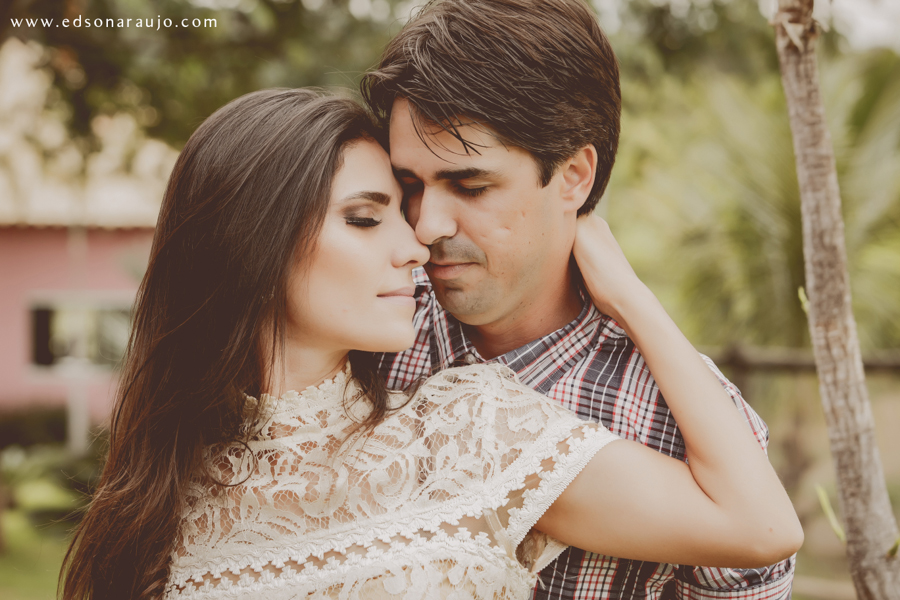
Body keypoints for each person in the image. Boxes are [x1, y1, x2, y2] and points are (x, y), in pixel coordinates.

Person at [59, 89, 800, 600]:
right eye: (365, 217)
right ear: (254, 243)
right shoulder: (165, 496)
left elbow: (761, 528)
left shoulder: (467, 428)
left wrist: (631, 301)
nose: (417, 241)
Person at [360, 0, 799, 599]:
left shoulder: (686, 423)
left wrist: (633, 301)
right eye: (409, 184)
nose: (427, 224)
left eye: (470, 184)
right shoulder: (366, 328)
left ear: (573, 176)